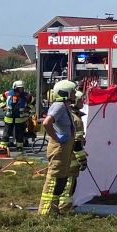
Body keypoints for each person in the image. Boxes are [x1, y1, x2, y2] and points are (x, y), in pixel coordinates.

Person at [39, 80, 78, 216]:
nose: (75, 94)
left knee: (61, 178)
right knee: (54, 178)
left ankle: (54, 210)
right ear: (65, 93)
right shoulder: (59, 106)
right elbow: (47, 122)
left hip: (65, 146)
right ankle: (46, 212)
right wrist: (56, 138)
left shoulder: (65, 106)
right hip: (59, 147)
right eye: (72, 91)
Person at [58, 87, 88, 214]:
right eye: (81, 100)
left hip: (67, 156)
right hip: (72, 159)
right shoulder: (76, 119)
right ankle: (64, 209)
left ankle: (64, 207)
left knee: (68, 183)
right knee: (69, 184)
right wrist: (82, 160)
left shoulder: (70, 115)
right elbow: (76, 142)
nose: (83, 102)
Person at [0, 80, 33, 152]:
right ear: (15, 88)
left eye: (22, 88)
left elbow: (33, 101)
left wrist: (28, 108)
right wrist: (3, 106)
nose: (21, 89)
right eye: (20, 88)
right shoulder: (8, 93)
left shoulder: (26, 95)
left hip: (20, 119)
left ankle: (19, 147)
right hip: (9, 118)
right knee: (6, 133)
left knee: (19, 134)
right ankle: (3, 147)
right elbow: (0, 99)